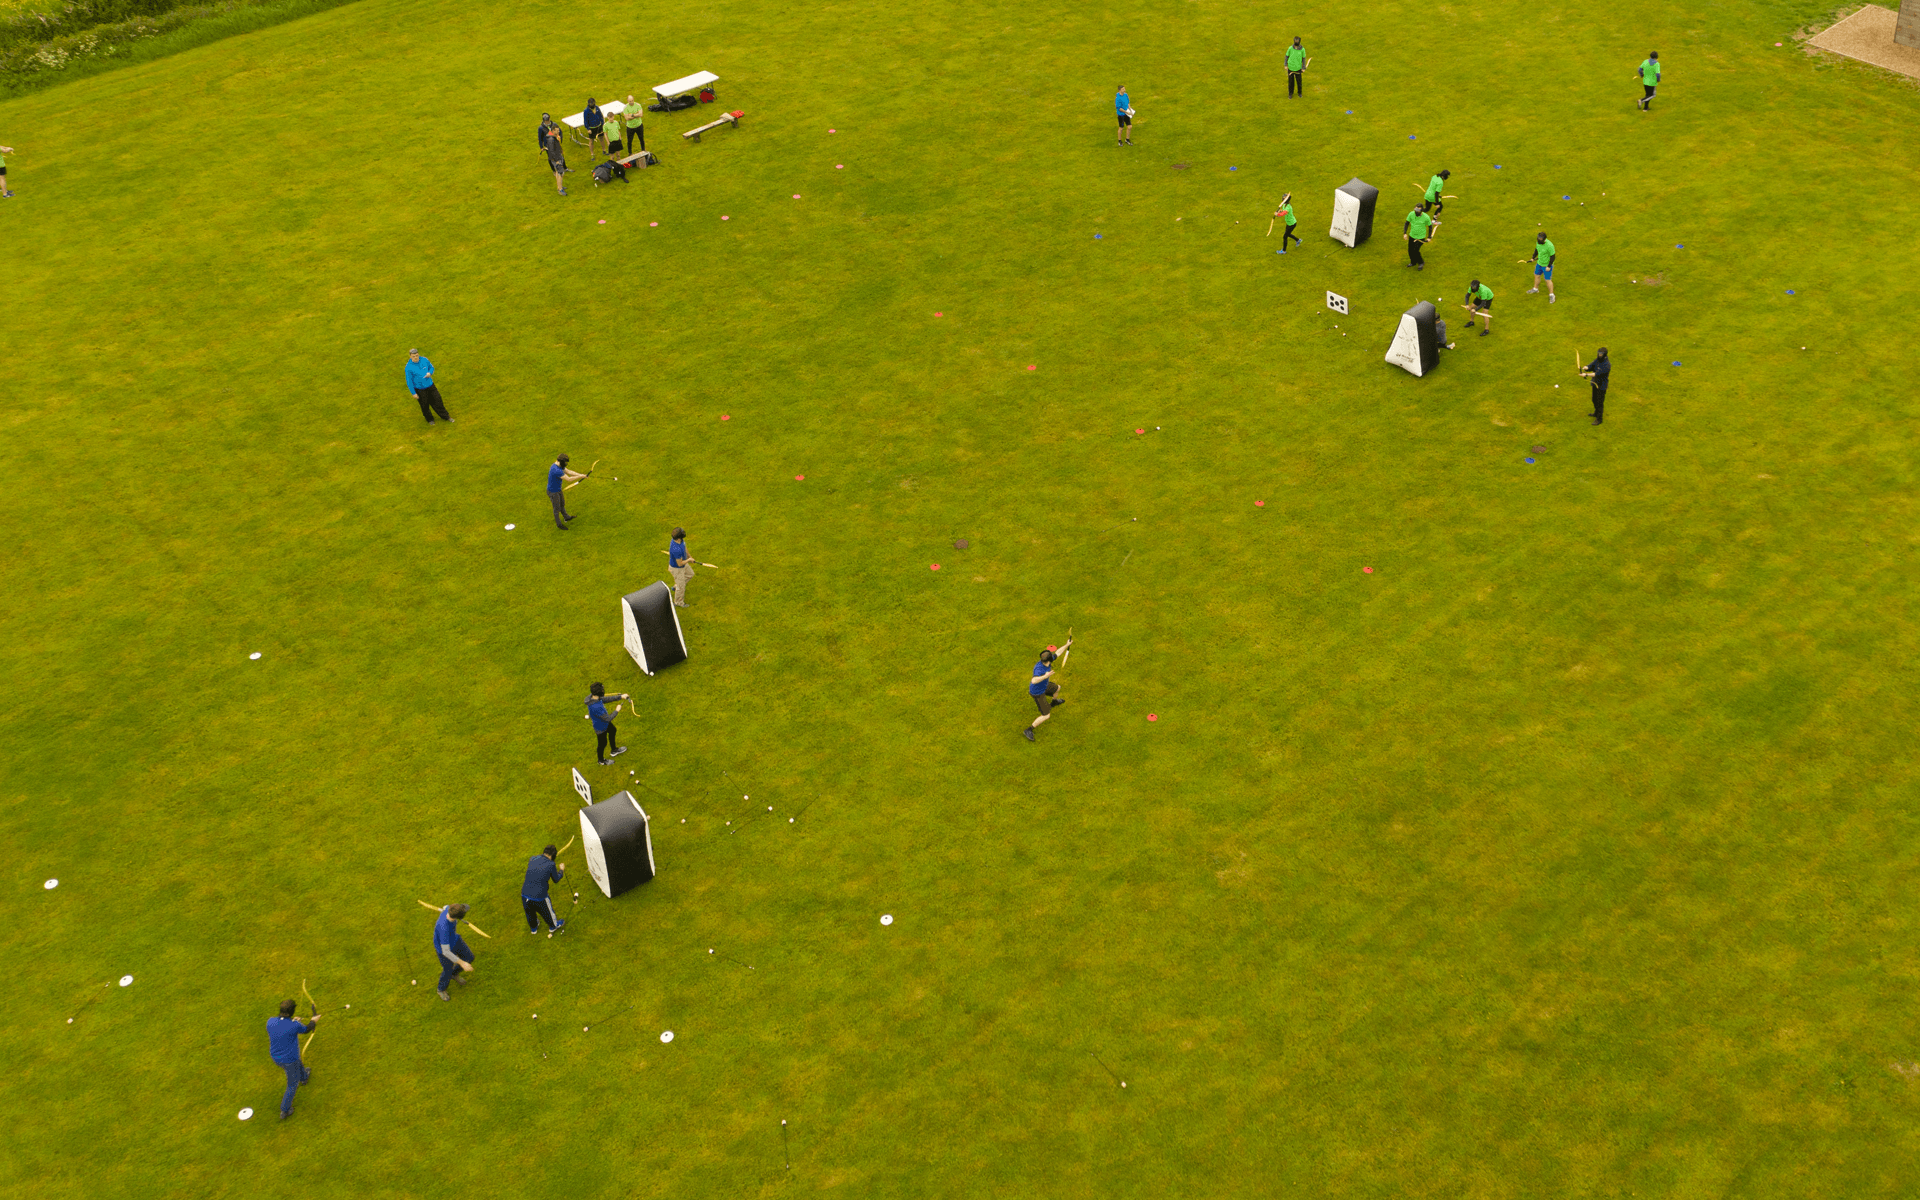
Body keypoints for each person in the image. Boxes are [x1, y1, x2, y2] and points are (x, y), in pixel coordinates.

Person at [266, 999, 318, 1119]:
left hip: (276, 1057)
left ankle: (304, 1077)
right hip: (289, 1060)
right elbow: (307, 1029)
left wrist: (293, 1021)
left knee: (297, 1064)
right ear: (292, 1011)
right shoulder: (294, 1026)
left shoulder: (270, 1021)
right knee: (292, 1085)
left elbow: (283, 1027)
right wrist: (314, 1020)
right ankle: (285, 1110)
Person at [1023, 639, 1072, 742]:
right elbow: (1034, 680)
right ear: (1048, 660)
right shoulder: (1039, 669)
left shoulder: (1046, 662)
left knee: (1057, 688)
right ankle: (1028, 730)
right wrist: (1045, 676)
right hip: (1037, 692)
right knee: (1046, 715)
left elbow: (1058, 653)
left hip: (1044, 686)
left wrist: (1067, 644)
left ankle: (1054, 702)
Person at [522, 845, 568, 936]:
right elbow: (556, 879)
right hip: (540, 896)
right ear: (553, 856)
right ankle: (553, 926)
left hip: (524, 894)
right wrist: (561, 871)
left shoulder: (532, 858)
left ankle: (533, 928)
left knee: (529, 912)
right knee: (548, 911)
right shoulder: (551, 864)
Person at [434, 903, 475, 1001]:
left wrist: (444, 910)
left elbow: (445, 906)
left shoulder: (449, 909)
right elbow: (446, 952)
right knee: (447, 970)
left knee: (469, 957)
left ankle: (454, 974)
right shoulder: (444, 928)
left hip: (455, 940)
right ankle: (441, 989)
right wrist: (462, 963)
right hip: (443, 949)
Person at [404, 348, 452, 424]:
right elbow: (409, 381)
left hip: (430, 386)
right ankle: (430, 420)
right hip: (420, 389)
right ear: (410, 356)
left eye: (417, 355)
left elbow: (431, 367)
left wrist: (430, 373)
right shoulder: (408, 367)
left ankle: (446, 416)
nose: (416, 357)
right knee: (424, 405)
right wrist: (413, 393)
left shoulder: (424, 360)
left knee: (438, 400)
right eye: (414, 356)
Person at [587, 682, 628, 765]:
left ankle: (614, 750)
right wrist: (617, 710)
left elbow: (605, 699)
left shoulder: (593, 697)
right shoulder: (596, 707)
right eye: (602, 689)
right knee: (602, 744)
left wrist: (620, 697)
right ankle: (601, 761)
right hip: (600, 727)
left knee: (613, 730)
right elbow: (608, 719)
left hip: (604, 723)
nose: (603, 690)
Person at [547, 454, 585, 529]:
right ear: (561, 461)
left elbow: (569, 471)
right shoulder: (556, 470)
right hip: (553, 492)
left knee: (562, 503)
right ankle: (559, 524)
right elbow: (569, 479)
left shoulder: (559, 466)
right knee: (556, 508)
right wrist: (580, 476)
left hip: (558, 489)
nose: (565, 464)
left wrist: (581, 474)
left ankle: (566, 517)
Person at [1581, 347, 1610, 424]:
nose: (1599, 355)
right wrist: (1586, 367)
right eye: (1599, 353)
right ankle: (1596, 413)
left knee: (1599, 402)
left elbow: (1596, 374)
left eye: (1601, 354)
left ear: (1604, 355)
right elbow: (1592, 365)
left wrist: (1586, 374)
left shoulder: (1606, 365)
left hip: (1601, 386)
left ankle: (1599, 419)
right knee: (1594, 399)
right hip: (1595, 384)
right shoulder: (1598, 360)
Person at [1528, 232, 1557, 302]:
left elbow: (1553, 256)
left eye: (1540, 238)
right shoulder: (1538, 242)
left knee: (1547, 280)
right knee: (1536, 275)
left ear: (1544, 239)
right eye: (1538, 238)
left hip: (1546, 265)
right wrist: (1533, 257)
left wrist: (1549, 266)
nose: (1539, 239)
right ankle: (1535, 289)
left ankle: (1552, 295)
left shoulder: (1549, 245)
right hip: (1539, 263)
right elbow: (1536, 250)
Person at [1404, 201, 1434, 270]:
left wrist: (1429, 237)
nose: (1416, 211)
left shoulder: (1426, 217)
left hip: (1420, 237)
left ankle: (1421, 262)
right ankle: (1413, 262)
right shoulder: (1411, 214)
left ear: (1421, 210)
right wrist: (1405, 233)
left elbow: (1430, 226)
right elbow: (1407, 223)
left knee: (1416, 250)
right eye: (1416, 209)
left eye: (1418, 210)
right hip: (1412, 235)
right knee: (1410, 250)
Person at [669, 527, 694, 607]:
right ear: (679, 537)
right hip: (677, 568)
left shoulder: (680, 541)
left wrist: (690, 557)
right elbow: (680, 564)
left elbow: (684, 547)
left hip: (683, 564)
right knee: (681, 587)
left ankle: (676, 586)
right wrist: (688, 560)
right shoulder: (676, 549)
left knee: (690, 574)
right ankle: (678, 602)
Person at [544, 124, 570, 196]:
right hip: (556, 159)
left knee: (558, 173)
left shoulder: (553, 137)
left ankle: (559, 186)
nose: (558, 132)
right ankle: (560, 190)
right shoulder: (551, 139)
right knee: (560, 173)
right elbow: (551, 151)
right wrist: (557, 161)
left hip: (558, 156)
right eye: (557, 131)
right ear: (553, 131)